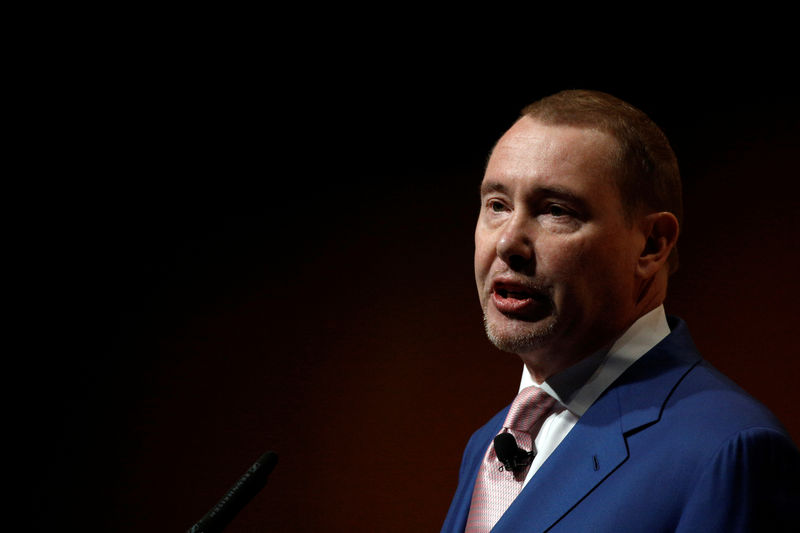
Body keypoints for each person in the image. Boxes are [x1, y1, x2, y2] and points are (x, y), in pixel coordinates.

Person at [441, 90, 800, 532]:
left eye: (556, 211)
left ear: (651, 244)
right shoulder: (487, 445)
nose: (507, 243)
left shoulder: (728, 450)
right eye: (497, 205)